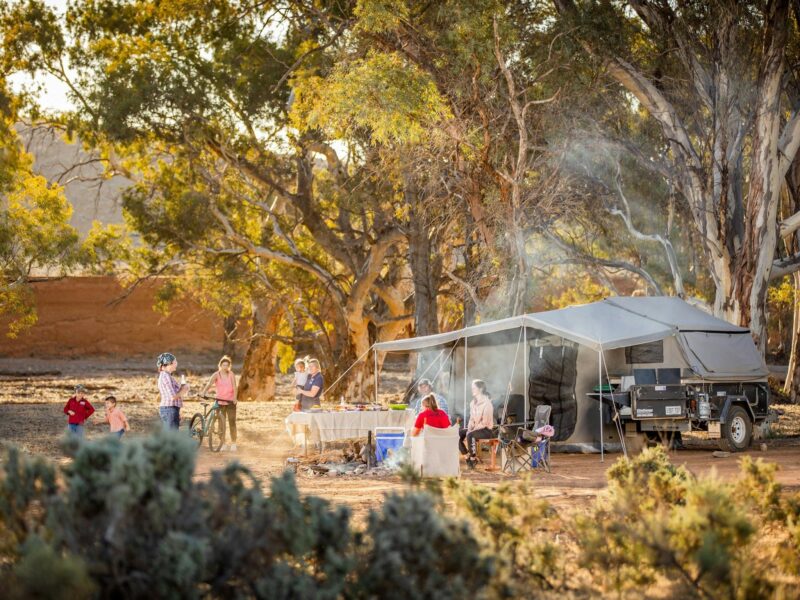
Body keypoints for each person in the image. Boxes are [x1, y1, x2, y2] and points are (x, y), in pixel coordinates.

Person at [201, 355, 238, 451]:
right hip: (220, 401)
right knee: (221, 423)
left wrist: (235, 398)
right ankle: (223, 443)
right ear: (220, 365)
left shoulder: (231, 374)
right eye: (223, 365)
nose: (225, 367)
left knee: (232, 422)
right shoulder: (216, 375)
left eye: (227, 365)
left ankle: (233, 443)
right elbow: (209, 384)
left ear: (229, 366)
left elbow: (234, 387)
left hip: (230, 402)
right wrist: (204, 392)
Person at [458, 379, 495, 469]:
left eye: (474, 388)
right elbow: (471, 419)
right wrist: (470, 427)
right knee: (457, 434)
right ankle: (467, 457)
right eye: (472, 388)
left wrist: (471, 430)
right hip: (475, 429)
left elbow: (485, 423)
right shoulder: (472, 403)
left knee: (470, 435)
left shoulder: (487, 404)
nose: (472, 390)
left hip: (486, 430)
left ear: (481, 389)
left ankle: (473, 458)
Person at [157, 352, 188, 430]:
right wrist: (184, 390)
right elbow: (173, 397)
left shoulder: (167, 376)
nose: (176, 364)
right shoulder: (166, 376)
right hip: (169, 409)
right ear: (167, 364)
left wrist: (182, 387)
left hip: (170, 409)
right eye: (174, 362)